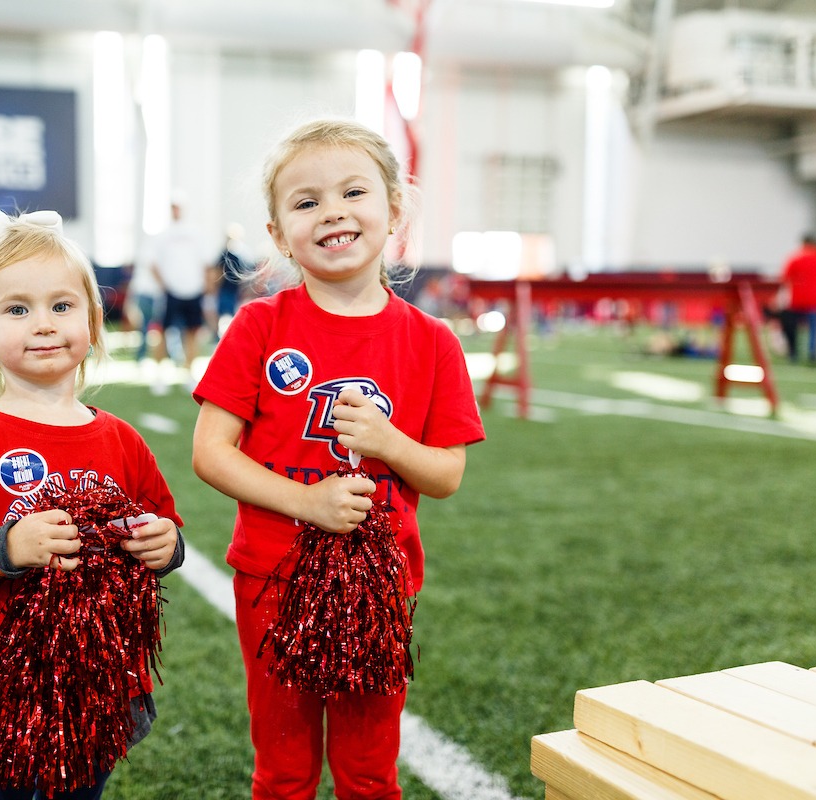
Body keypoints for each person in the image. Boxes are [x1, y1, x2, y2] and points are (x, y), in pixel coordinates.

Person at [191, 118, 486, 800]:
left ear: (392, 209)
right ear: (277, 235)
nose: (332, 212)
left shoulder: (433, 341)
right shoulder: (261, 327)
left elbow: (445, 475)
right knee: (284, 769)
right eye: (305, 201)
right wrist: (305, 503)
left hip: (379, 588)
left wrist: (388, 443)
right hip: (272, 579)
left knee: (368, 770)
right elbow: (210, 452)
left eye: (353, 192)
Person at [0, 209, 185, 800]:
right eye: (17, 309)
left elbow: (168, 536)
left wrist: (165, 545)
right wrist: (6, 550)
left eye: (62, 306)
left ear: (92, 320)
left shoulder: (122, 440)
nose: (44, 325)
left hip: (102, 680)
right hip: (5, 688)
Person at [149, 195, 214, 385]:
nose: (176, 210)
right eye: (173, 207)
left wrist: (206, 289)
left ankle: (189, 372)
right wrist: (164, 286)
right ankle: (159, 375)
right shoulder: (163, 234)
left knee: (193, 332)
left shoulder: (195, 233)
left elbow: (206, 263)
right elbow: (153, 263)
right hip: (171, 292)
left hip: (194, 291)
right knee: (161, 331)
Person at [778, 233, 816, 365]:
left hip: (797, 298)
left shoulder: (795, 258)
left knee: (793, 326)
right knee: (814, 327)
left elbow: (784, 277)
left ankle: (793, 353)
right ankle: (812, 353)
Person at [211, 222, 255, 337]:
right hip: (227, 288)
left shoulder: (241, 253)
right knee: (225, 313)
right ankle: (225, 335)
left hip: (236, 290)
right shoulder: (226, 253)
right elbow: (218, 271)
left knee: (231, 313)